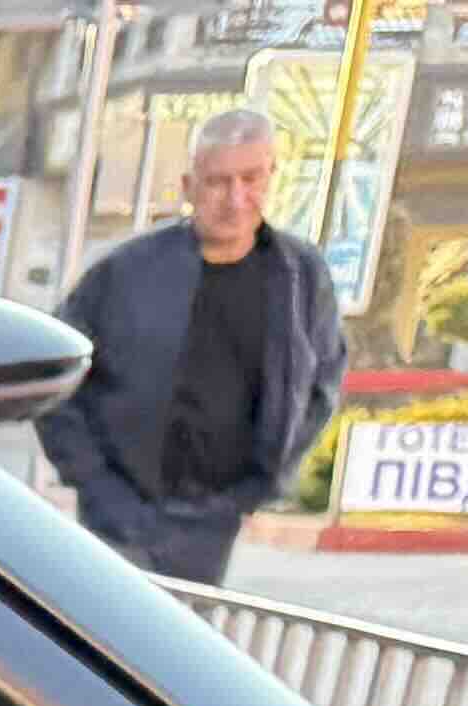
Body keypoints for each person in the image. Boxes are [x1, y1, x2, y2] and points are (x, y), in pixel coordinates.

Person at [40, 111, 346, 590]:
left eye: (251, 178)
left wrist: (262, 482)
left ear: (272, 176)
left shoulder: (300, 277)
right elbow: (53, 376)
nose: (236, 199)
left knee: (177, 637)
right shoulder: (125, 273)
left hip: (214, 522)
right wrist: (96, 485)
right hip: (116, 517)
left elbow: (321, 384)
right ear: (188, 185)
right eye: (218, 182)